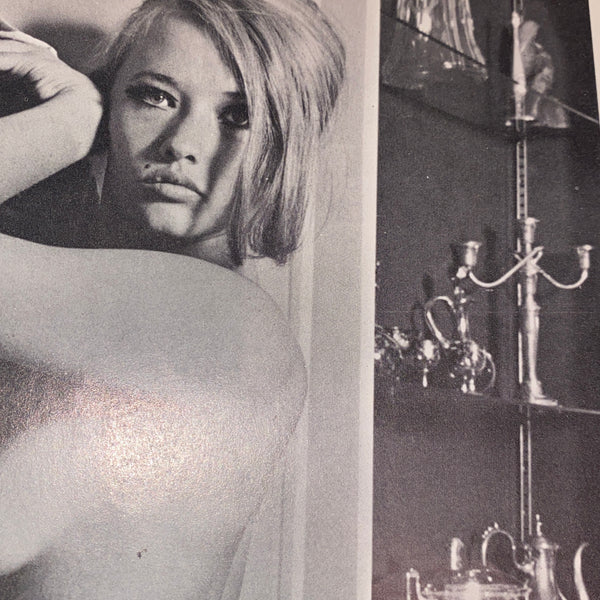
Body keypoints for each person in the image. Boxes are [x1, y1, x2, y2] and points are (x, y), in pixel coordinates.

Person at [0, 1, 345, 598]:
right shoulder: (99, 324)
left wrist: (69, 122)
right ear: (115, 103)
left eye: (238, 115)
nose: (182, 144)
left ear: (283, 149)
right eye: (154, 96)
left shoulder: (219, 316)